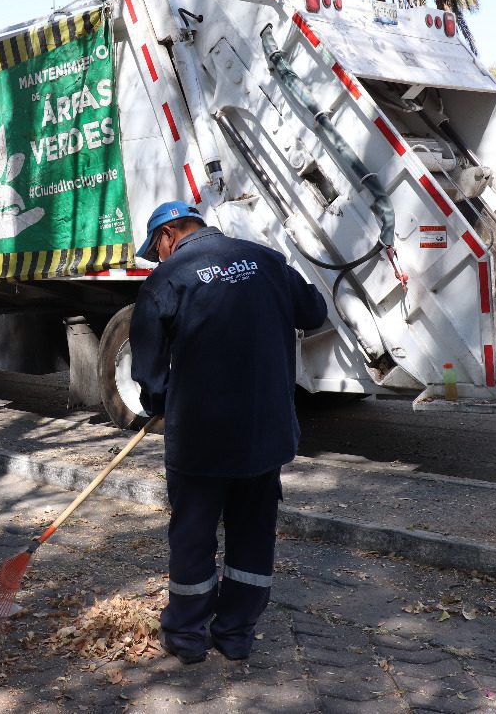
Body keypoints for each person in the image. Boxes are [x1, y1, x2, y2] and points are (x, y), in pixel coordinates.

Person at [129, 200, 327, 664]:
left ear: (167, 236)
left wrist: (160, 404)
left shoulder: (166, 279)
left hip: (201, 440)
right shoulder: (266, 260)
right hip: (266, 433)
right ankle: (236, 634)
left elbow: (148, 369)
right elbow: (314, 312)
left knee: (194, 538)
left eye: (156, 250)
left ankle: (187, 638)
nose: (159, 258)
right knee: (254, 535)